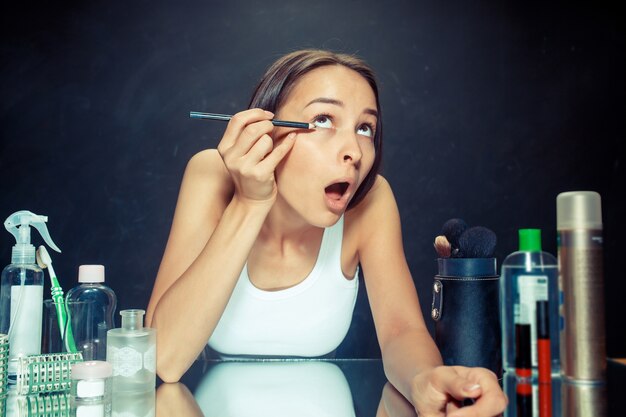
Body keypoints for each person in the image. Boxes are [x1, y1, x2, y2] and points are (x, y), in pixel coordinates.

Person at [146, 49, 507, 416]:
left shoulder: (372, 201)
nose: (354, 151)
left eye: (365, 128)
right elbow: (165, 359)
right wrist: (249, 203)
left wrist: (425, 380)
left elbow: (400, 332)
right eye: (322, 120)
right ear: (265, 129)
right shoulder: (211, 174)